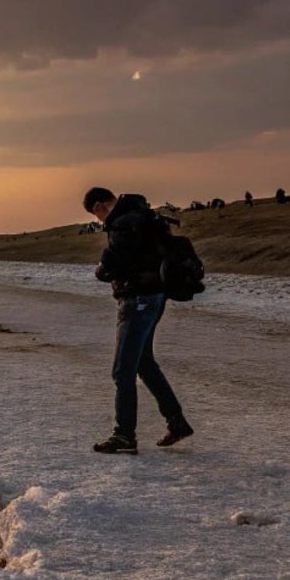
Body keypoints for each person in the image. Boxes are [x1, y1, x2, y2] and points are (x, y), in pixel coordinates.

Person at [82, 187, 193, 454]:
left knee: (123, 370)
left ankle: (124, 435)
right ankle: (176, 422)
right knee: (143, 363)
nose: (99, 220)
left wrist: (102, 268)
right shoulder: (142, 216)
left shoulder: (123, 223)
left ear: (99, 206)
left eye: (95, 214)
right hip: (155, 297)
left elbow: (113, 263)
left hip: (138, 300)